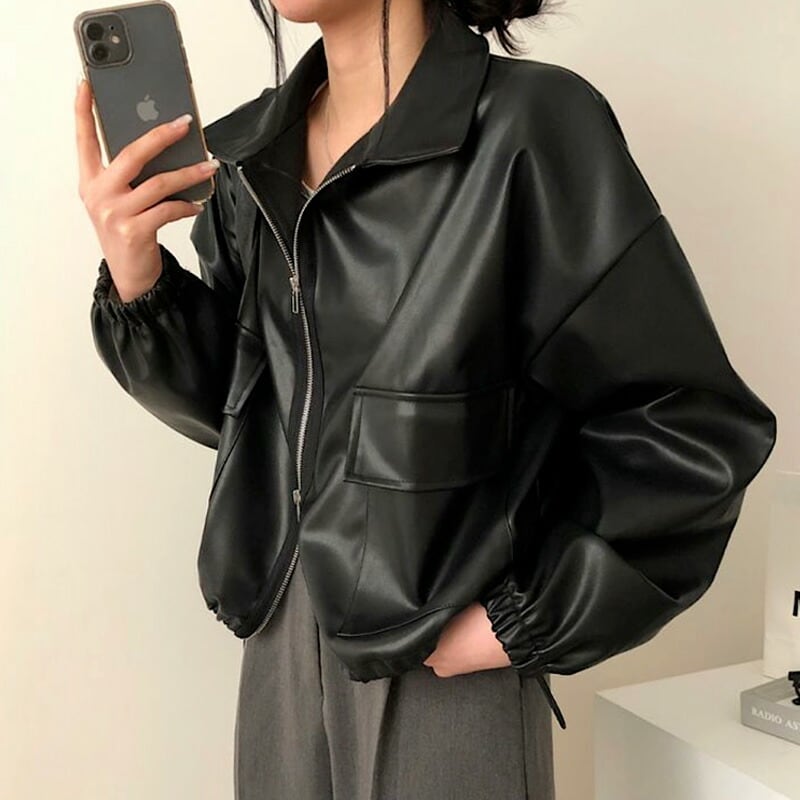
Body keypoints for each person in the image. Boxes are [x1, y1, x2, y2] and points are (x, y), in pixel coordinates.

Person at [74, 1, 778, 798]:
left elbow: (688, 422)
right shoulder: (250, 157)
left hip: (440, 661)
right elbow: (249, 413)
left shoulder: (529, 128)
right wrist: (139, 275)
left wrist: (522, 619)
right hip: (277, 640)